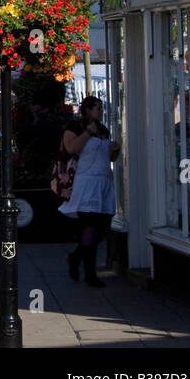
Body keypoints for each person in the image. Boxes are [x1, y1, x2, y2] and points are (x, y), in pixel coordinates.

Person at [59, 96, 120, 287]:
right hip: (86, 184)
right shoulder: (75, 127)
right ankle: (90, 274)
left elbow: (109, 158)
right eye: (97, 108)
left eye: (102, 108)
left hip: (103, 183)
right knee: (90, 227)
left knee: (103, 227)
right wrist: (87, 133)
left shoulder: (103, 130)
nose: (101, 112)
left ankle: (76, 257)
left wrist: (114, 150)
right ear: (87, 110)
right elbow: (70, 148)